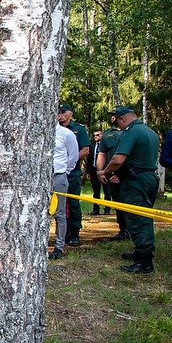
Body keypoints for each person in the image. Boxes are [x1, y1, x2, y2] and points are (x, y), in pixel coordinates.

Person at [97, 106, 160, 274]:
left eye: (117, 120)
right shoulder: (150, 132)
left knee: (138, 219)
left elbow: (118, 159)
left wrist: (105, 171)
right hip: (150, 178)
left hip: (135, 181)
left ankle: (145, 261)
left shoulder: (131, 132)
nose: (117, 124)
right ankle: (140, 252)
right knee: (143, 216)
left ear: (123, 119)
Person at [57, 104, 90, 246]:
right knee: (58, 206)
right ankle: (61, 234)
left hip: (72, 173)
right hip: (57, 173)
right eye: (58, 112)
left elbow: (86, 150)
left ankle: (74, 232)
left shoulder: (78, 129)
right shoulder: (53, 129)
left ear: (70, 113)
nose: (60, 114)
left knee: (73, 203)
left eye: (63, 112)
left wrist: (70, 159)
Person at [49, 123, 80, 259]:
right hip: (41, 179)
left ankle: (59, 247)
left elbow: (73, 156)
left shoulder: (66, 134)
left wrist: (63, 172)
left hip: (58, 177)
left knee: (59, 214)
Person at [98, 113, 129, 241]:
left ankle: (134, 232)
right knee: (118, 203)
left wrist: (121, 175)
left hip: (128, 175)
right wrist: (100, 172)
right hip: (111, 175)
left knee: (131, 204)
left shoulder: (130, 132)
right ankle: (123, 231)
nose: (112, 117)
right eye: (111, 115)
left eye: (115, 115)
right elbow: (102, 154)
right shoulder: (107, 134)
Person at [86, 129, 111, 215]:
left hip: (105, 171)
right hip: (94, 170)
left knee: (107, 190)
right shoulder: (92, 146)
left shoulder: (107, 147)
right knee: (96, 191)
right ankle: (96, 209)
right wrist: (88, 172)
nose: (96, 137)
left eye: (98, 135)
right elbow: (89, 160)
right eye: (94, 135)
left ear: (102, 135)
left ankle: (107, 209)